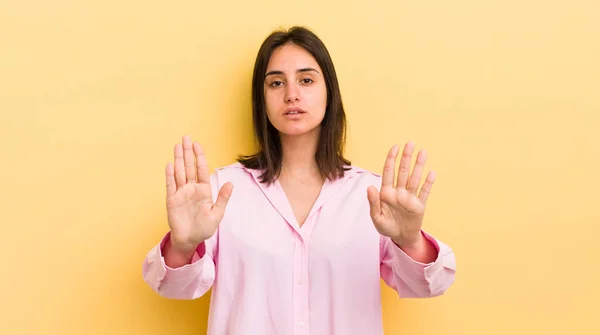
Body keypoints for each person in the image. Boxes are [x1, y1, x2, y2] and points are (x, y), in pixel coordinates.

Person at [142, 26, 456, 335]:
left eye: (306, 80)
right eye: (276, 83)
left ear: (329, 92)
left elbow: (429, 286)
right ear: (261, 99)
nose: (292, 94)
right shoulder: (221, 193)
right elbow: (173, 289)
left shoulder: (373, 197)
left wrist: (411, 241)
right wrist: (183, 246)